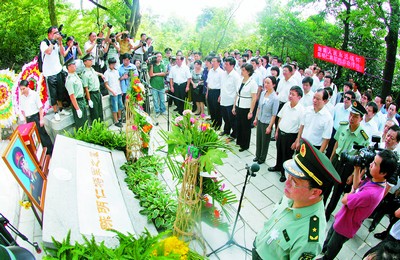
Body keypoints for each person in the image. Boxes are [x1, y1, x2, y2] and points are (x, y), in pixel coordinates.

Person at [253, 138, 341, 259]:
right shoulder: (295, 195)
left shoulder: (310, 238)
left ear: (314, 192)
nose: (287, 183)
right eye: (288, 175)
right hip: (260, 243)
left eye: (294, 182)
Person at [320, 149, 398, 260]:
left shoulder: (371, 193)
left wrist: (350, 192)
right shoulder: (376, 180)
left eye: (375, 164)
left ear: (384, 173)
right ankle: (323, 250)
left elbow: (345, 200)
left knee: (333, 246)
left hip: (346, 225)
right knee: (329, 238)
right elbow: (357, 186)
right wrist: (357, 169)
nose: (370, 164)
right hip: (343, 217)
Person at [324, 100, 370, 220]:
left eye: (355, 116)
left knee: (336, 193)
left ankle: (327, 213)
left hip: (347, 166)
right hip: (335, 161)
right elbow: (336, 144)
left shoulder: (363, 137)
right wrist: (330, 159)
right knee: (327, 186)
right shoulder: (343, 126)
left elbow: (360, 159)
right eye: (351, 115)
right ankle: (320, 207)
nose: (352, 118)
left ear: (361, 119)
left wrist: (353, 174)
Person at [269, 86, 304, 182]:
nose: (290, 96)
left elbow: (301, 127)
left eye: (293, 94)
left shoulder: (301, 110)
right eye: (290, 93)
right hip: (281, 133)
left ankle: (284, 173)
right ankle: (277, 166)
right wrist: (276, 131)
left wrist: (297, 140)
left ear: (299, 97)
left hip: (291, 136)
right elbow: (280, 117)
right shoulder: (286, 105)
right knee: (279, 151)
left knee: (287, 155)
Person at [41, 26, 70, 121]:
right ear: (49, 34)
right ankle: (55, 112)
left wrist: (60, 42)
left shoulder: (57, 43)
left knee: (60, 92)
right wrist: (53, 41)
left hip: (58, 70)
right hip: (49, 73)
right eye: (55, 33)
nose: (57, 34)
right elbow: (48, 51)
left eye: (57, 33)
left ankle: (61, 109)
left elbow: (63, 53)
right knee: (53, 94)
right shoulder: (44, 43)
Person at [18, 80, 53, 155]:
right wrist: (25, 121)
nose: (22, 91)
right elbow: (23, 110)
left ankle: (49, 151)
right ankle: (41, 153)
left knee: (42, 134)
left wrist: (41, 119)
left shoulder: (34, 94)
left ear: (28, 87)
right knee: (34, 137)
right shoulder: (21, 98)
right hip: (28, 118)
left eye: (23, 89)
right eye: (21, 89)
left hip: (36, 117)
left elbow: (40, 108)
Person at [232, 63, 258, 152]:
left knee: (245, 127)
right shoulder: (240, 80)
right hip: (239, 105)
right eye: (241, 70)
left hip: (246, 107)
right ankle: (239, 141)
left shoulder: (253, 83)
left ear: (249, 72)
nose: (242, 72)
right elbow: (237, 94)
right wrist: (234, 106)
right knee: (239, 124)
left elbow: (254, 98)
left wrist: (251, 111)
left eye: (243, 70)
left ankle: (245, 144)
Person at [253, 76, 279, 164]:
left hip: (267, 122)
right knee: (259, 139)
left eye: (268, 83)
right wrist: (256, 118)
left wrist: (269, 126)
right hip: (260, 119)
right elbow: (259, 107)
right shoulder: (263, 93)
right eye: (265, 82)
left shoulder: (275, 98)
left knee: (265, 142)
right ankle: (257, 155)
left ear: (274, 85)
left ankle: (262, 157)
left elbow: (274, 114)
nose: (266, 85)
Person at [220, 56, 240, 139]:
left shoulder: (235, 76)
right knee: (225, 118)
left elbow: (237, 91)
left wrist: (235, 105)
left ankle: (234, 134)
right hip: (223, 100)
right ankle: (226, 130)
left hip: (231, 101)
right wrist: (220, 96)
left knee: (232, 120)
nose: (225, 66)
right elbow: (223, 86)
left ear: (232, 66)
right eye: (224, 64)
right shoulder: (224, 74)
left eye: (227, 64)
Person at [64, 58, 88, 129]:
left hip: (82, 100)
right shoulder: (69, 80)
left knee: (85, 121)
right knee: (81, 124)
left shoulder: (75, 75)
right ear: (68, 67)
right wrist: (77, 109)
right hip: (77, 102)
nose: (75, 65)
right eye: (73, 64)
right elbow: (72, 96)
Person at [81, 54, 105, 122]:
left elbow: (95, 73)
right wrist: (89, 99)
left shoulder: (92, 69)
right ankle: (96, 128)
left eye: (91, 60)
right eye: (89, 60)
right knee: (95, 113)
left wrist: (101, 74)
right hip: (92, 94)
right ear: (85, 62)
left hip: (97, 92)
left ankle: (102, 126)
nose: (91, 61)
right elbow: (86, 88)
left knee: (100, 111)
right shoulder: (85, 74)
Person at [104, 57, 124, 127]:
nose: (113, 65)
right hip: (113, 92)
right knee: (115, 106)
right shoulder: (106, 73)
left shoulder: (116, 71)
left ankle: (120, 118)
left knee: (120, 105)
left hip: (118, 91)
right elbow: (106, 84)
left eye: (114, 64)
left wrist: (120, 90)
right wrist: (112, 91)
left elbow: (118, 81)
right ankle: (116, 121)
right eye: (112, 64)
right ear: (109, 64)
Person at [206, 56, 224, 129]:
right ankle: (213, 122)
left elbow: (223, 85)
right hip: (210, 91)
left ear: (218, 63)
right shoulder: (210, 71)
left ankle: (218, 124)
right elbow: (208, 82)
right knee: (211, 108)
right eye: (212, 61)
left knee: (217, 109)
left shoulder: (221, 72)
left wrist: (220, 95)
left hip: (217, 92)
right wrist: (207, 92)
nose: (212, 63)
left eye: (214, 61)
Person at [149, 52, 167, 117]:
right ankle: (157, 111)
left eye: (160, 56)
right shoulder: (152, 65)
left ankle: (163, 110)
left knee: (162, 99)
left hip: (161, 85)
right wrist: (151, 65)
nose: (159, 58)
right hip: (154, 85)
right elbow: (151, 74)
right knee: (155, 99)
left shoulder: (162, 65)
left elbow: (164, 73)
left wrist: (155, 74)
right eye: (157, 56)